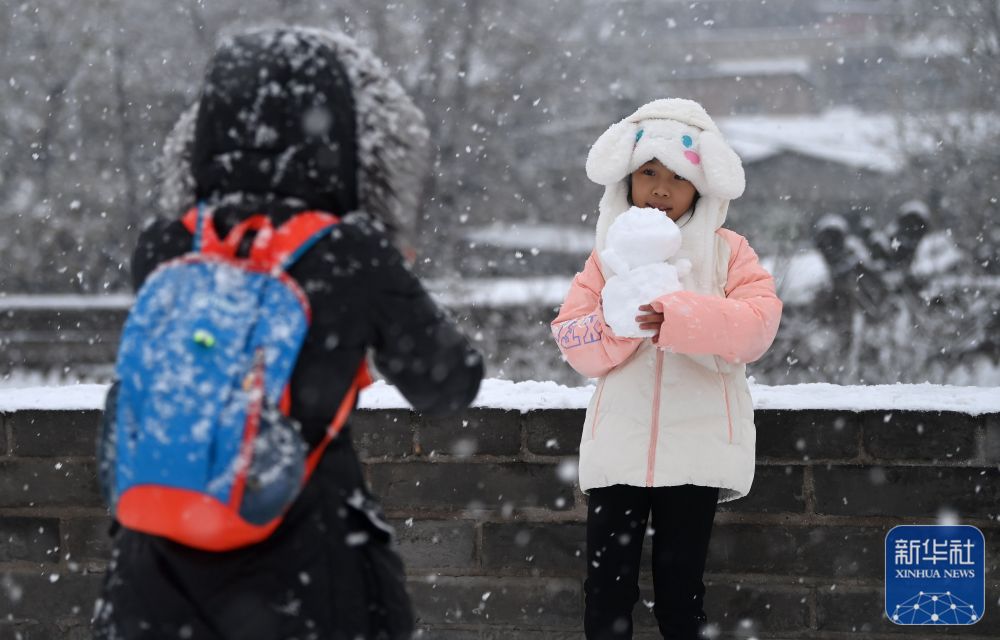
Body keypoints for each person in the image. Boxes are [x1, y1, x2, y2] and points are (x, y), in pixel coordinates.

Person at [93, 27, 484, 640]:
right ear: (339, 135)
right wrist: (389, 288)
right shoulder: (349, 253)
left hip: (151, 569)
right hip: (304, 567)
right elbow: (449, 383)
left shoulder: (168, 244)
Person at [552, 98, 782, 640]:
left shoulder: (730, 254)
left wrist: (676, 315)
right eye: (648, 173)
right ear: (626, 179)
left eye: (677, 177)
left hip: (697, 449)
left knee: (682, 592)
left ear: (702, 186)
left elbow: (757, 327)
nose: (660, 188)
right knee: (607, 591)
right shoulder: (605, 256)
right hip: (618, 451)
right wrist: (618, 327)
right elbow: (572, 336)